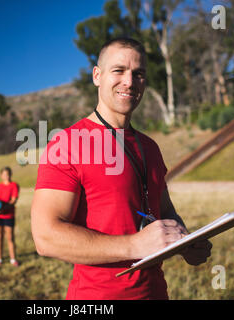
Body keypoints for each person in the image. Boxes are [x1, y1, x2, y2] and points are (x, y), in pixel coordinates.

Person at [31, 37, 212, 300]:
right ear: (97, 76)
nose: (129, 81)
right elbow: (45, 237)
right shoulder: (66, 143)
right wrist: (134, 245)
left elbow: (165, 211)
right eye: (119, 70)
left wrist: (185, 242)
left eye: (138, 74)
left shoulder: (150, 146)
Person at [0, 167, 20, 267]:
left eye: (8, 174)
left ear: (11, 174)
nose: (6, 176)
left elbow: (13, 200)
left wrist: (3, 209)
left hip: (9, 215)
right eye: (4, 174)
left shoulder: (14, 185)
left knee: (10, 238)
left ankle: (13, 259)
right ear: (1, 175)